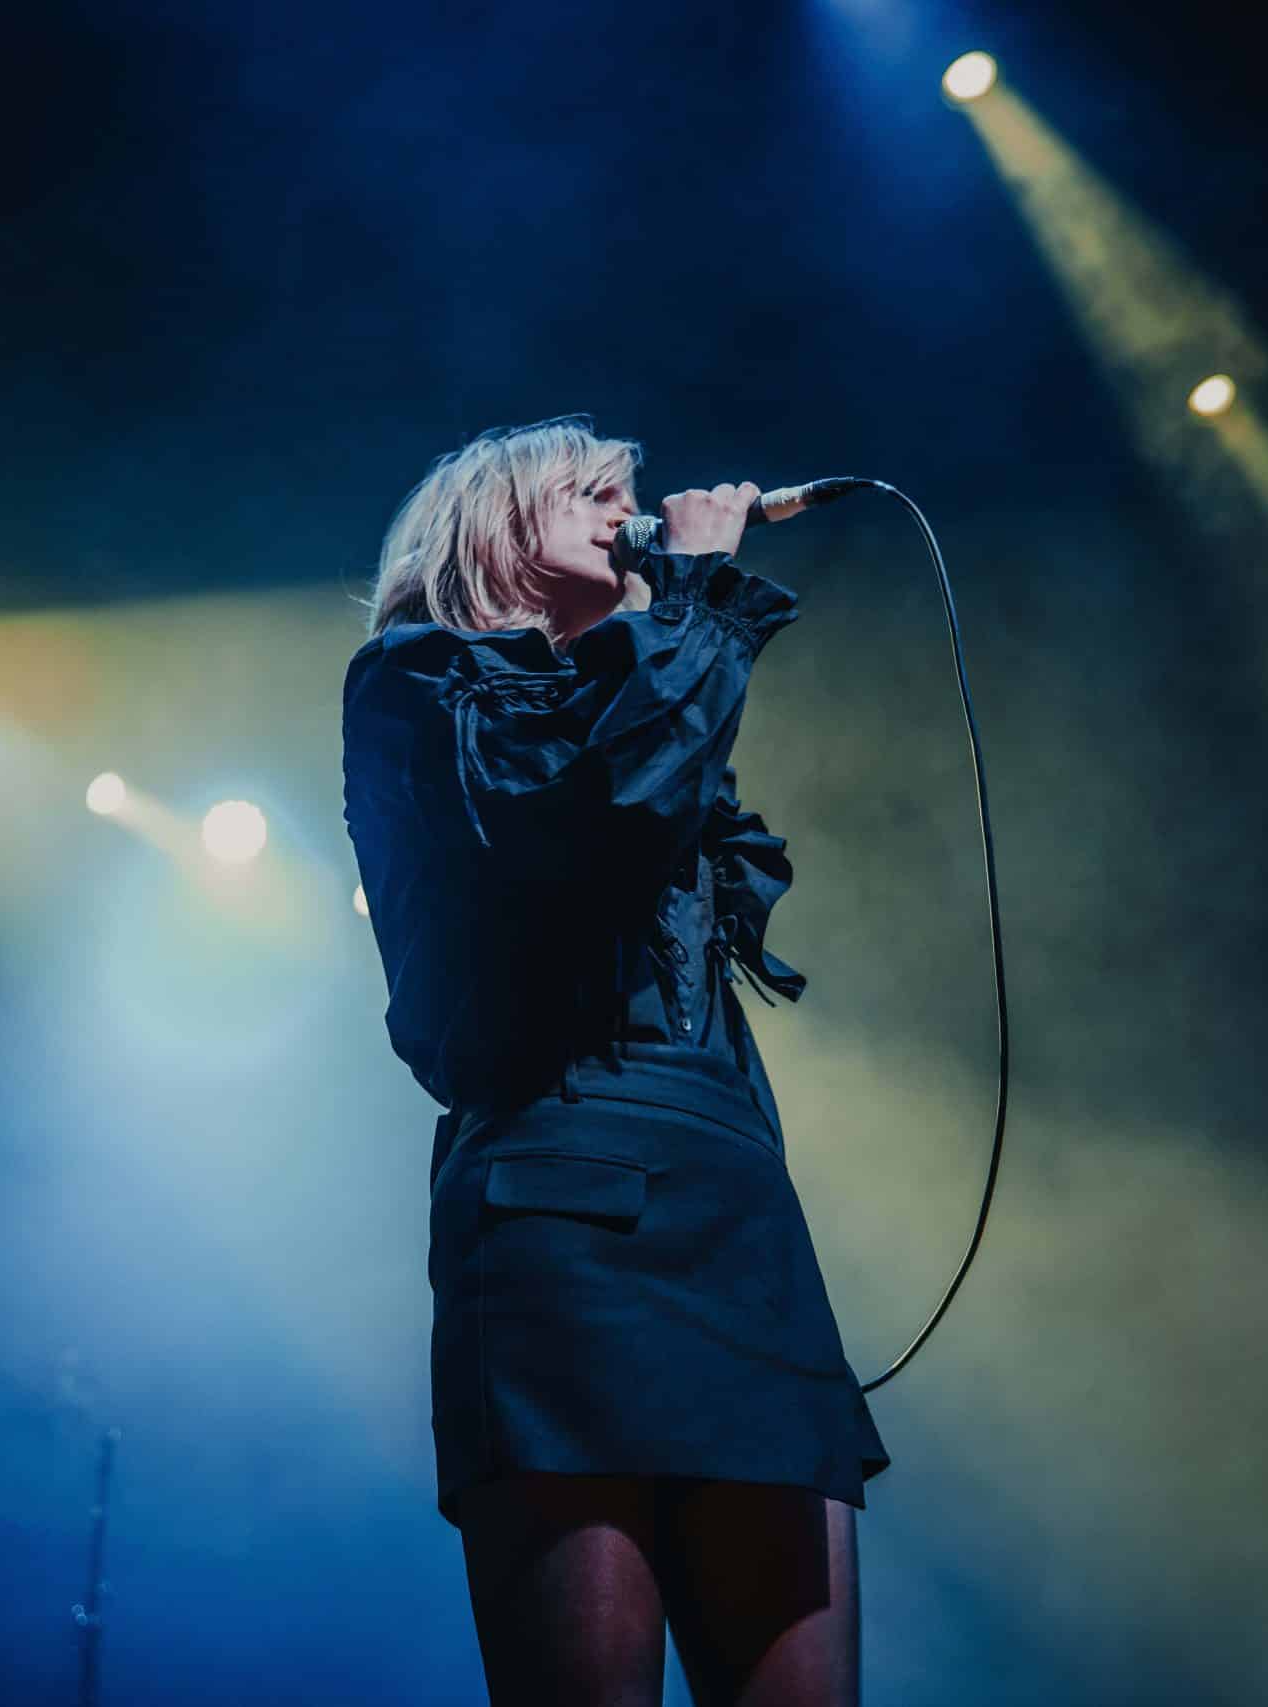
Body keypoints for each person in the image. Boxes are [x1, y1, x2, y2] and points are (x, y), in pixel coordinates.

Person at [341, 416, 888, 1706]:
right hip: (565, 1216)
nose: (623, 511)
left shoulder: (645, 686)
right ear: (492, 525)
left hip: (737, 1226)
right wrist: (694, 593)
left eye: (623, 494)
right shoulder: (418, 683)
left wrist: (675, 619)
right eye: (588, 492)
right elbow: (597, 820)